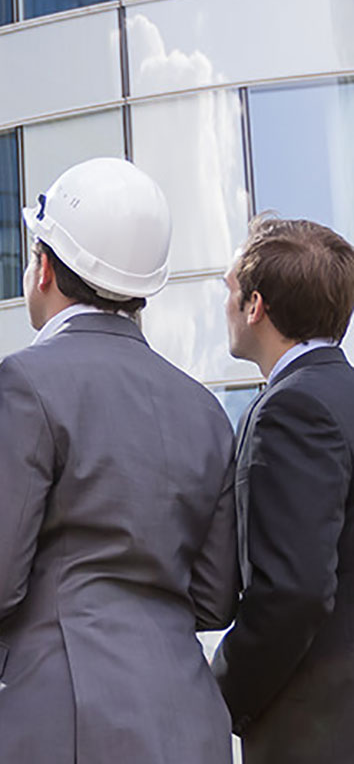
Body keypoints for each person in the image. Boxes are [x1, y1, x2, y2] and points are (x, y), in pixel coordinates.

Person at [0, 157, 239, 764]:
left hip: (62, 714)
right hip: (191, 719)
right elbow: (215, 598)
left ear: (43, 267)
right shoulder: (205, 412)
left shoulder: (23, 381)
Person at [212, 217, 354, 764]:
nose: (224, 304)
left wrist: (217, 696)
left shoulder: (293, 409)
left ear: (255, 306)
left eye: (229, 289)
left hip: (317, 729)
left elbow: (292, 593)